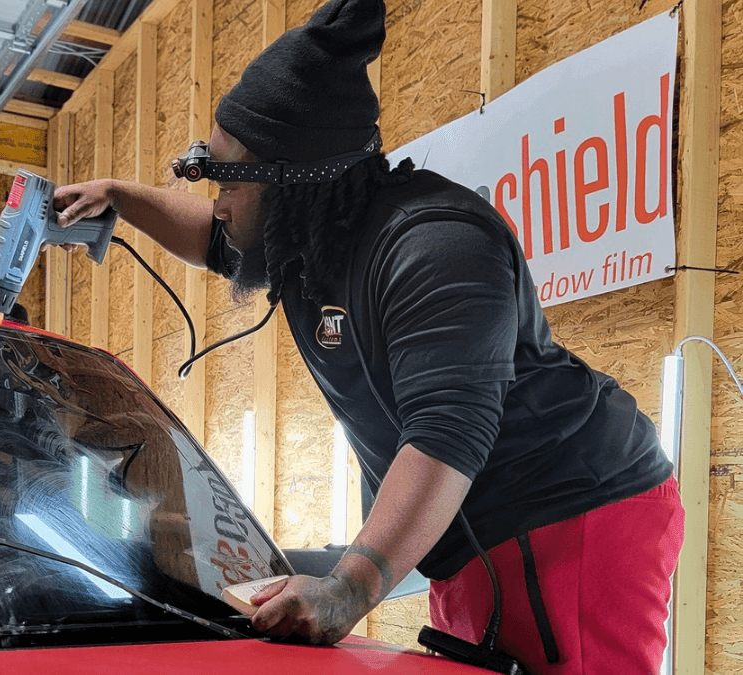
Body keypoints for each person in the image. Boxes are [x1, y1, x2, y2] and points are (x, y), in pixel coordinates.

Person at [53, 0, 684, 671]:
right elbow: (215, 234)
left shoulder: (433, 246)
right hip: (463, 528)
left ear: (295, 182)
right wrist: (119, 196)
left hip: (571, 516)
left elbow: (447, 431)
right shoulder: (301, 236)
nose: (219, 201)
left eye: (229, 178)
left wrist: (348, 589)